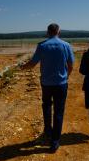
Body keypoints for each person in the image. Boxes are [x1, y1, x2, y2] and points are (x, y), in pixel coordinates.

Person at [21, 23, 75, 152]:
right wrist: (66, 76)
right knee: (59, 111)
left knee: (46, 105)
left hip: (46, 83)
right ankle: (55, 142)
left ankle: (47, 131)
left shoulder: (42, 45)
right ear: (58, 32)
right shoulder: (66, 45)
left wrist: (23, 67)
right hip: (61, 84)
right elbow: (71, 64)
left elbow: (32, 63)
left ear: (48, 32)